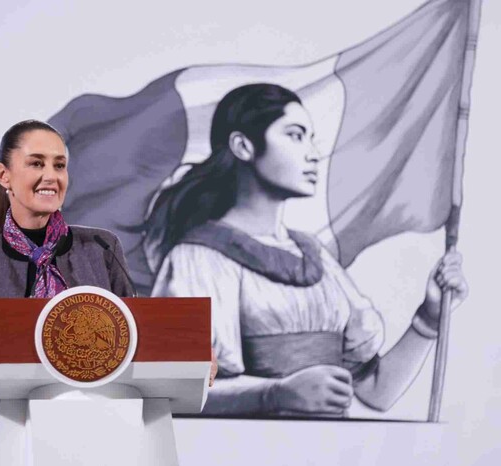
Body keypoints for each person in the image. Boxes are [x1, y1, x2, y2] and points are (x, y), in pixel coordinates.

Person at [145, 84, 468, 417]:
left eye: (311, 137)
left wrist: (429, 317)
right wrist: (274, 394)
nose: (313, 153)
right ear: (243, 146)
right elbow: (166, 390)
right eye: (296, 135)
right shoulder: (193, 259)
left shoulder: (317, 258)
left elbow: (376, 393)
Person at [0, 120, 216, 466]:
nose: (51, 176)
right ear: (3, 174)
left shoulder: (102, 247)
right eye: (36, 163)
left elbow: (135, 339)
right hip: (15, 439)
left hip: (110, 433)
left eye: (59, 165)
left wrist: (189, 352)